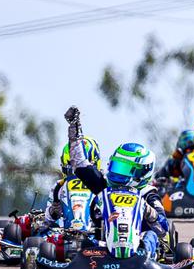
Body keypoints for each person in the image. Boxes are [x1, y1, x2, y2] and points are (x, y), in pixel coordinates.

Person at [62, 107, 171, 259]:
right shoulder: (105, 185)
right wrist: (74, 130)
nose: (119, 173)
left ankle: (143, 256)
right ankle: (83, 259)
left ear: (141, 173)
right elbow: (79, 163)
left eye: (125, 169)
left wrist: (148, 211)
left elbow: (164, 228)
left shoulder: (149, 194)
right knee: (83, 238)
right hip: (105, 244)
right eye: (117, 166)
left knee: (151, 235)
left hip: (140, 243)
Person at [45, 137, 102, 232]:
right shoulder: (59, 186)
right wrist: (53, 210)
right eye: (71, 168)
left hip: (94, 235)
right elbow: (48, 218)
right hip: (64, 235)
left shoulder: (104, 186)